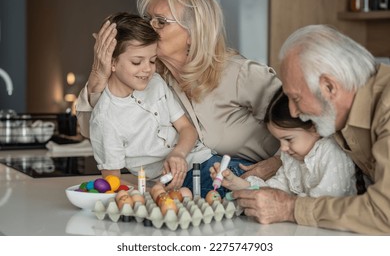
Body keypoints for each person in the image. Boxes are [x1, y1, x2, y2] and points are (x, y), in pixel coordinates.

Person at [76, 0, 282, 188]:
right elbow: (95, 129)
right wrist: (98, 75)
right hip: (208, 180)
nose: (149, 27)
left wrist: (275, 163)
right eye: (148, 18)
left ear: (192, 33)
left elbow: (307, 120)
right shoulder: (151, 77)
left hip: (271, 181)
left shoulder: (239, 74)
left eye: (161, 21)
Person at [233, 24, 390, 234]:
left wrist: (289, 208)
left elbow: (384, 213)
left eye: (295, 98)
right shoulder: (338, 116)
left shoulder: (386, 108)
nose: (293, 112)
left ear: (329, 87)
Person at [89, 12, 252, 198]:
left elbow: (186, 128)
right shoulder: (106, 118)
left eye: (152, 60)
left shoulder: (156, 83)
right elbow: (112, 181)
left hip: (210, 162)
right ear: (111, 62)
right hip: (177, 184)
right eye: (136, 62)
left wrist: (179, 154)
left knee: (259, 182)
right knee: (250, 195)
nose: (147, 69)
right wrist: (153, 193)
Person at [210, 87, 357, 198]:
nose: (283, 148)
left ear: (316, 127)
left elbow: (324, 204)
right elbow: (276, 189)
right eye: (279, 140)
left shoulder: (331, 154)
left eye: (288, 139)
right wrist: (240, 185)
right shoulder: (292, 157)